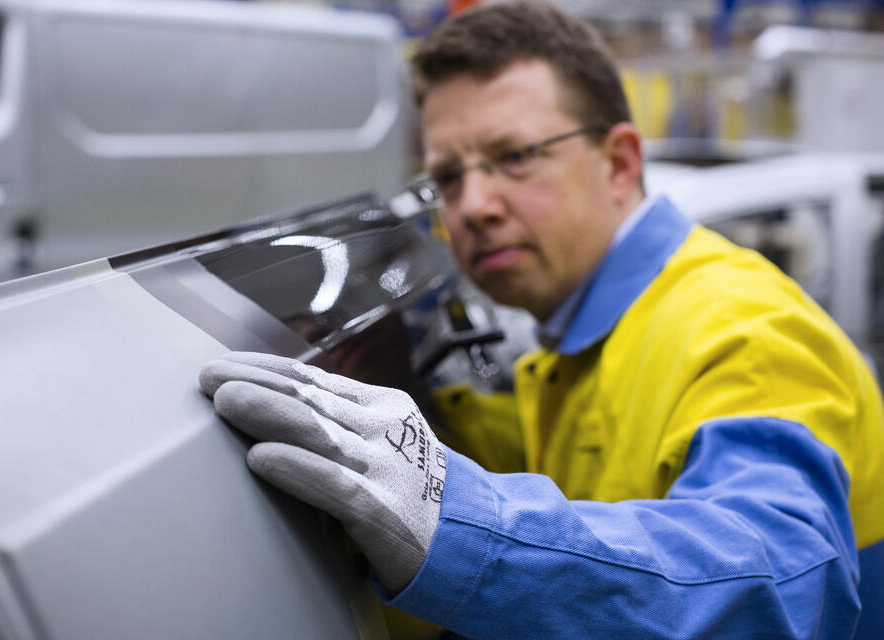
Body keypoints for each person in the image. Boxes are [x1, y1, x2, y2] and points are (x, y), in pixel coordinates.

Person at [199, 2, 884, 638]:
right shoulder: (585, 331)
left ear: (618, 164)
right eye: (449, 177)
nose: (474, 206)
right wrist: (425, 417)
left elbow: (787, 583)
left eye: (514, 157)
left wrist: (448, 511)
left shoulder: (741, 328)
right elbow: (602, 477)